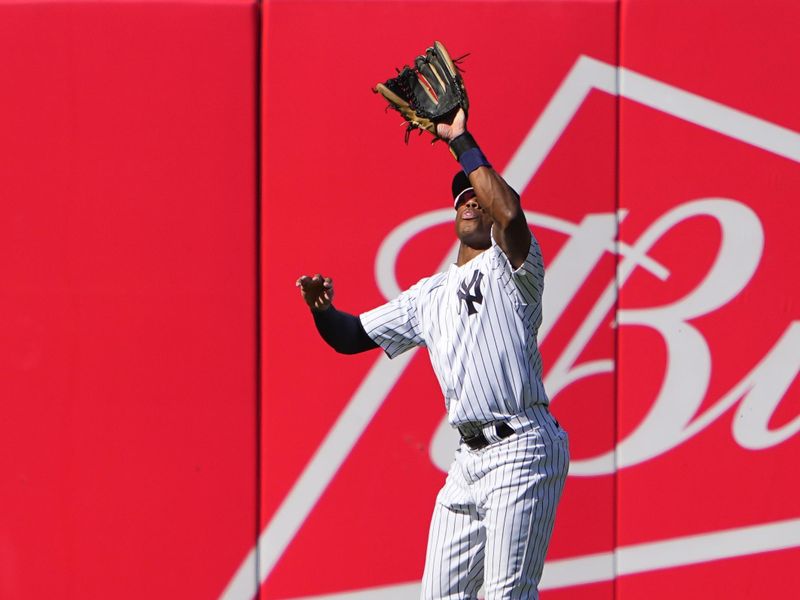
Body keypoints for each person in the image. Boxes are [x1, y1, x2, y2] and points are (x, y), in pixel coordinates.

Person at [296, 108, 569, 599]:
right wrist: (322, 311)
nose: (470, 203)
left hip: (522, 446)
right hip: (467, 460)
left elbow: (510, 214)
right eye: (462, 198)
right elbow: (352, 335)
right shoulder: (428, 296)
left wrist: (460, 139)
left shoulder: (516, 269)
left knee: (506, 595)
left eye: (478, 196)